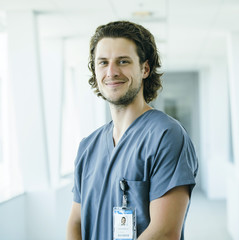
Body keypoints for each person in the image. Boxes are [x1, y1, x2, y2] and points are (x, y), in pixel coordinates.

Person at [66, 20, 198, 240]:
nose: (111, 71)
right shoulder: (88, 146)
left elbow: (164, 233)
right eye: (103, 62)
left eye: (123, 61)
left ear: (145, 69)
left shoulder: (166, 136)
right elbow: (76, 222)